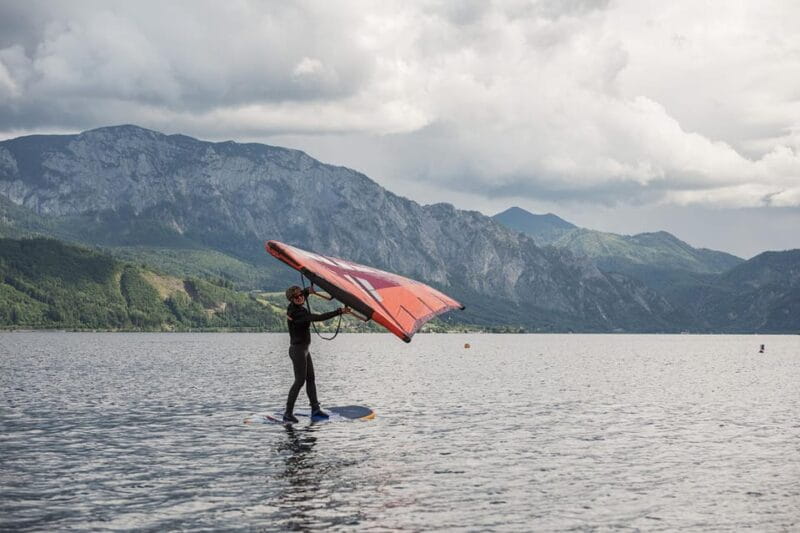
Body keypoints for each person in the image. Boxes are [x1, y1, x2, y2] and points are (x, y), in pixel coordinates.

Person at [282, 285, 349, 423]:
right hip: (298, 350)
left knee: (311, 379)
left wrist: (308, 291)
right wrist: (339, 311)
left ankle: (315, 409)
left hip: (304, 350)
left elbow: (302, 295)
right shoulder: (297, 313)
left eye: (301, 295)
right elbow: (319, 318)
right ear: (291, 300)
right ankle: (288, 413)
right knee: (299, 381)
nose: (300, 297)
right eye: (296, 297)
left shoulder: (298, 303)